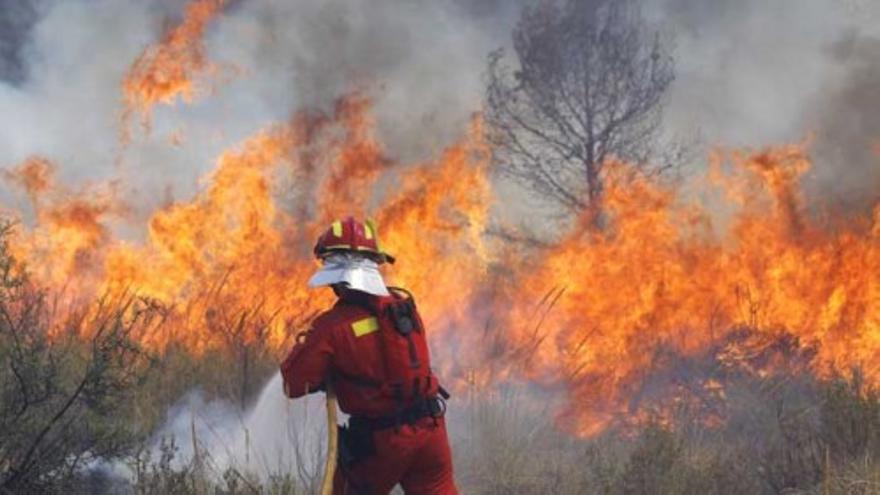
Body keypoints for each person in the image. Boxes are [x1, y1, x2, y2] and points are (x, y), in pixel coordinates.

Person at [281, 217, 458, 495]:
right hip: (431, 428)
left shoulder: (332, 326)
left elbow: (293, 383)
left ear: (337, 277)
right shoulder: (404, 308)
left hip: (382, 442)